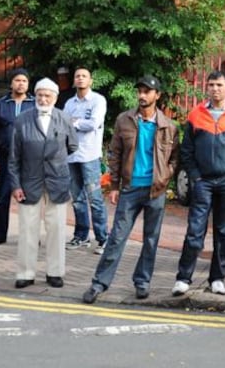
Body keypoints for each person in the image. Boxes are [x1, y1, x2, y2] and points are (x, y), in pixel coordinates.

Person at [82, 76, 179, 304]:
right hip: (130, 187)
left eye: (148, 92)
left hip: (156, 189)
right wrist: (114, 186)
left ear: (157, 95)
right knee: (117, 237)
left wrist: (166, 176)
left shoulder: (169, 126)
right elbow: (115, 155)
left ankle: (142, 282)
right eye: (140, 91)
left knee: (151, 239)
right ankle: (99, 284)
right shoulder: (124, 120)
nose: (142, 95)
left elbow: (175, 158)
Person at [172, 71, 225, 297]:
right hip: (203, 182)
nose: (215, 89)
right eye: (211, 85)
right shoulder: (196, 114)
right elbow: (186, 151)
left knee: (224, 232)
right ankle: (183, 278)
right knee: (195, 231)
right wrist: (196, 177)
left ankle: (217, 278)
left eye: (219, 85)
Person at [10, 78, 77, 288]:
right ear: (35, 96)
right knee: (28, 229)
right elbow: (13, 157)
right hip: (29, 183)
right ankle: (25, 273)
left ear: (55, 98)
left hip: (57, 182)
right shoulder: (22, 120)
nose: (43, 98)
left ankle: (55, 272)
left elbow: (72, 146)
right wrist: (15, 185)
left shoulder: (64, 118)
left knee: (56, 230)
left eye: (48, 95)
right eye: (40, 94)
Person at [0, 68, 34, 246]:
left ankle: (30, 236)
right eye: (17, 80)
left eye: (24, 81)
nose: (21, 84)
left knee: (29, 198)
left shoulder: (34, 103)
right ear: (11, 83)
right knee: (2, 196)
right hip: (5, 156)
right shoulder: (1, 104)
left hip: (29, 158)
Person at [63, 67, 109, 254]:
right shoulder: (69, 103)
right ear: (74, 81)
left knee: (95, 199)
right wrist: (76, 123)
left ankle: (102, 238)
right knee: (77, 199)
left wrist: (74, 122)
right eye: (77, 76)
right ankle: (81, 236)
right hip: (71, 156)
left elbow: (93, 124)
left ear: (90, 81)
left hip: (90, 156)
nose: (80, 79)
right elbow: (63, 124)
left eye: (84, 76)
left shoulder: (98, 100)